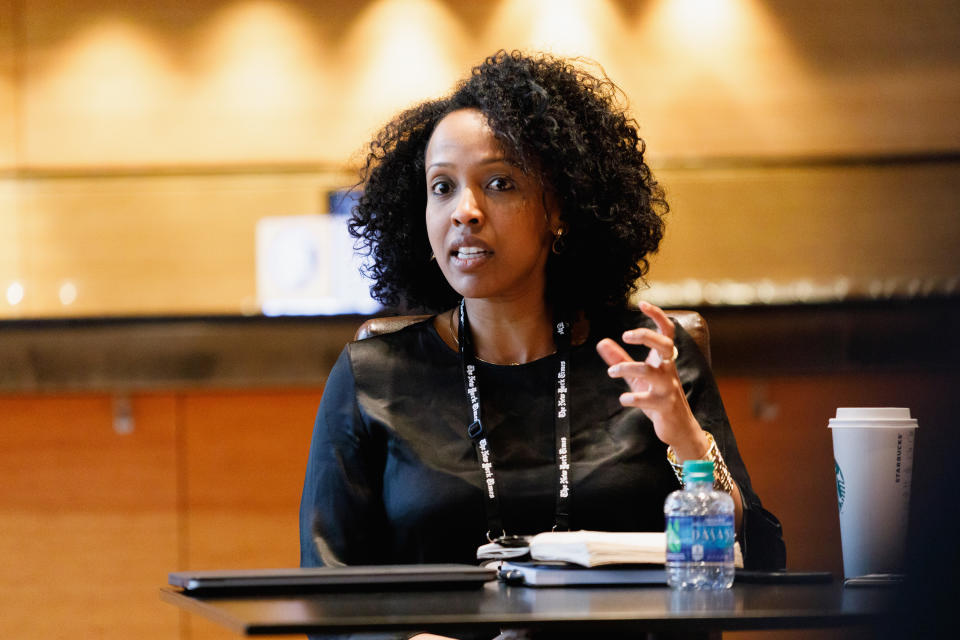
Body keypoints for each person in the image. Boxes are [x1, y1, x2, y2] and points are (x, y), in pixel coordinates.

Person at [300, 50, 785, 639]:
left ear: (558, 208)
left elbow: (757, 557)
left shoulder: (647, 355)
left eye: (499, 183)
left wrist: (685, 440)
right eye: (442, 188)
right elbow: (327, 595)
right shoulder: (373, 376)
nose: (466, 212)